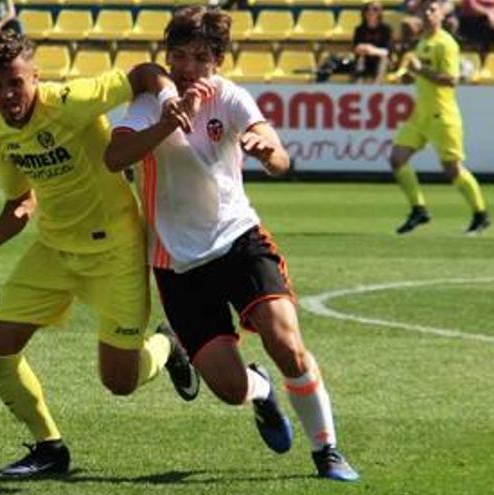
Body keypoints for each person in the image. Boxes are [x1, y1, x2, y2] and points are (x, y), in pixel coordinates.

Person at [104, 6, 360, 483]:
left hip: (239, 239)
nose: (186, 68)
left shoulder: (232, 98)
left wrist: (267, 151)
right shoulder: (148, 104)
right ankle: (262, 391)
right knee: (228, 387)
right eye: (177, 56)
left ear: (217, 61)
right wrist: (167, 122)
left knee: (287, 343)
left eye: (200, 57)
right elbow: (113, 157)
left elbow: (279, 155)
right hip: (176, 261)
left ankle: (327, 450)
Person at [0, 31, 199, 479]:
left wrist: (170, 95)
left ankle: (167, 345)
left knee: (120, 382)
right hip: (54, 251)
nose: (7, 95)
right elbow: (21, 202)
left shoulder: (72, 101)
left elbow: (143, 74)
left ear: (35, 76)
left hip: (114, 250)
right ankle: (49, 447)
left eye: (15, 82)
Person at [389, 0, 491, 235]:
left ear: (442, 16)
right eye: (424, 9)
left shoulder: (446, 44)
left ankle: (480, 214)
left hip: (442, 114)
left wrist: (419, 70)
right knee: (397, 159)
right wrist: (407, 77)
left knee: (452, 169)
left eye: (433, 10)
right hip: (421, 114)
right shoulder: (424, 42)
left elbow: (451, 79)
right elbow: (419, 75)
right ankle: (419, 209)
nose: (427, 13)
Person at [353, 1, 392, 83]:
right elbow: (356, 48)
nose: (370, 12)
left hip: (379, 60)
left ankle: (376, 89)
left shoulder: (386, 29)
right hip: (364, 59)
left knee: (383, 61)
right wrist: (365, 49)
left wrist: (371, 50)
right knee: (360, 60)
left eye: (375, 9)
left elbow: (386, 51)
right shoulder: (359, 29)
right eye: (367, 9)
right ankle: (358, 87)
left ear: (380, 12)